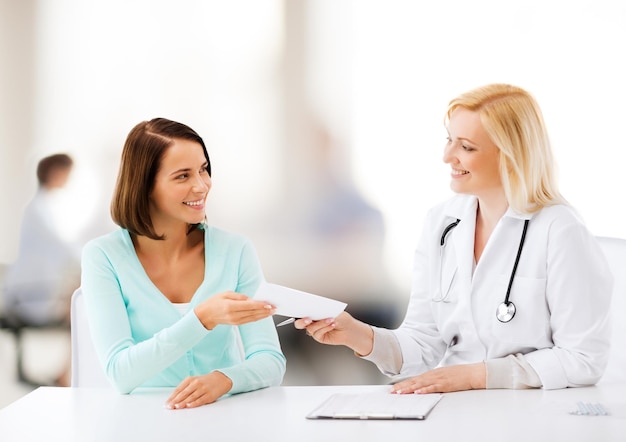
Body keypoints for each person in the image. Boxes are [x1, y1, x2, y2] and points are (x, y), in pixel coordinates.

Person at [295, 83, 613, 393]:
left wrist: (477, 375)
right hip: (456, 406)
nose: (448, 156)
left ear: (510, 155)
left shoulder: (560, 229)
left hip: (531, 411)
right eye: (449, 140)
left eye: (466, 146)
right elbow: (422, 342)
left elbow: (584, 359)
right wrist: (357, 334)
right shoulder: (442, 223)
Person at [80, 118, 286, 409]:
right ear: (145, 184)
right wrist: (201, 319)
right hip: (141, 420)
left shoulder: (235, 250)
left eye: (203, 170)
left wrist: (224, 380)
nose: (201, 186)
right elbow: (120, 373)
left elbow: (270, 360)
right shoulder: (103, 256)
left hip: (224, 415)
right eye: (182, 176)